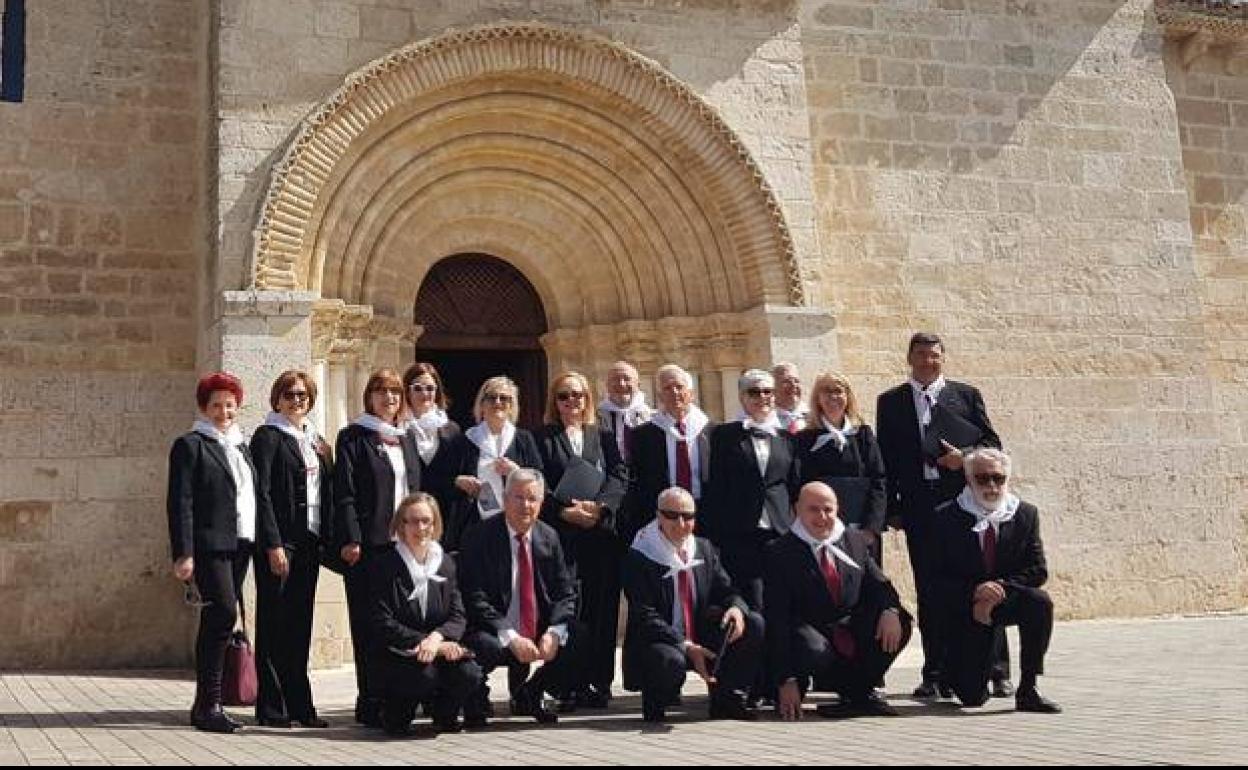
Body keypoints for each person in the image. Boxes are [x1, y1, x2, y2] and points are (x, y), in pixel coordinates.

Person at [876, 332, 1004, 698]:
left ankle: (995, 669)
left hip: (964, 505)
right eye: (920, 355)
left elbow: (992, 445)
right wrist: (894, 509)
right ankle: (934, 673)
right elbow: (886, 459)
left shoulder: (966, 396)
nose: (928, 361)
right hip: (921, 509)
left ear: (942, 358)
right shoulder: (892, 402)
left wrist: (963, 457)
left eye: (934, 355)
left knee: (982, 583)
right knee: (930, 590)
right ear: (909, 358)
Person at [167, 372, 277, 733]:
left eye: (230, 405)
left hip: (240, 543)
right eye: (216, 405)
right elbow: (179, 502)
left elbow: (255, 498)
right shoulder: (191, 445)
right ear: (204, 407)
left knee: (217, 620)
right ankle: (209, 703)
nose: (224, 411)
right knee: (223, 613)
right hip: (209, 545)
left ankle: (207, 703)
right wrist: (183, 553)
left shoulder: (241, 447)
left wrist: (269, 542)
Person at [766, 482, 911, 721]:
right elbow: (777, 618)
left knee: (901, 621)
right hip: (808, 638)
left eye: (828, 510)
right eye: (813, 510)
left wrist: (890, 610)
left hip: (849, 631)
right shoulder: (779, 552)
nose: (822, 517)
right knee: (813, 648)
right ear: (796, 511)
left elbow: (880, 585)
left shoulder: (854, 541)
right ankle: (838, 687)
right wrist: (786, 679)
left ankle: (859, 693)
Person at [934, 450, 1061, 714]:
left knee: (1039, 602)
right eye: (982, 479)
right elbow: (936, 577)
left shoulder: (1024, 515)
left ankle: (1029, 688)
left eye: (998, 479)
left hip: (1006, 599)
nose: (992, 487)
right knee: (971, 697)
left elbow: (1038, 570)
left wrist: (1000, 589)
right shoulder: (946, 517)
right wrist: (976, 592)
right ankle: (950, 669)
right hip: (968, 608)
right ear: (968, 481)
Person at [622, 487, 763, 723]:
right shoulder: (640, 554)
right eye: (672, 515)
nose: (681, 523)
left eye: (688, 516)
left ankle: (728, 699)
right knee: (669, 661)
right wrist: (684, 645)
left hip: (700, 631)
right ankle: (658, 699)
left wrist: (736, 608)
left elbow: (727, 590)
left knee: (753, 623)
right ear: (658, 516)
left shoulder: (704, 549)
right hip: (661, 639)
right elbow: (643, 614)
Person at [333, 368, 422, 727]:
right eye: (382, 392)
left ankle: (397, 696)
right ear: (369, 396)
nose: (389, 399)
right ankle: (369, 699)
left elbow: (416, 489)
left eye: (396, 393)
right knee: (369, 625)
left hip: (405, 547)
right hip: (369, 546)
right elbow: (346, 493)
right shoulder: (353, 437)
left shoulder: (406, 439)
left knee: (401, 623)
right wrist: (351, 537)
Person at [459, 469, 581, 726]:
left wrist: (554, 632)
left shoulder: (549, 536)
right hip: (493, 629)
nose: (526, 505)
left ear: (541, 503)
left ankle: (531, 693)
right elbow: (475, 598)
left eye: (532, 498)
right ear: (504, 500)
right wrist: (510, 636)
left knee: (580, 637)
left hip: (536, 627)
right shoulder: (480, 537)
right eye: (518, 498)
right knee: (484, 646)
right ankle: (476, 697)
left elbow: (564, 592)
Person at [536, 371, 627, 709]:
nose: (572, 401)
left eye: (578, 395)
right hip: (563, 537)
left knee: (602, 610)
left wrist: (601, 508)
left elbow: (619, 474)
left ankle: (598, 683)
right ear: (554, 402)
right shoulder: (543, 437)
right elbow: (537, 481)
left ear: (588, 399)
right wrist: (562, 511)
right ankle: (565, 684)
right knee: (568, 610)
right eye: (564, 396)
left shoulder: (601, 435)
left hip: (600, 535)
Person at [250, 370, 332, 728]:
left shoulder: (314, 440)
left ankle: (301, 706)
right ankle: (271, 707)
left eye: (302, 394)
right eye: (289, 394)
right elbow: (262, 493)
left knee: (300, 625)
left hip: (309, 542)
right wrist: (272, 543)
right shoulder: (268, 437)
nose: (296, 400)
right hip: (281, 543)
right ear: (277, 399)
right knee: (273, 623)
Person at [369, 494, 484, 735]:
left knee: (470, 673)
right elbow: (382, 621)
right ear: (401, 525)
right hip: (400, 652)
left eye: (426, 521)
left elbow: (458, 614)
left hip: (436, 645)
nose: (420, 528)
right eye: (412, 521)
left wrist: (437, 640)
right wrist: (422, 643)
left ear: (435, 525)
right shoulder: (384, 564)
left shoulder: (446, 564)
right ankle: (397, 714)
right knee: (424, 674)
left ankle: (444, 714)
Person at [701, 369, 798, 611]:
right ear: (742, 398)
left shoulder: (787, 439)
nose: (763, 397)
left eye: (768, 391)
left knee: (781, 597)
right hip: (741, 531)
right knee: (753, 599)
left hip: (779, 530)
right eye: (755, 392)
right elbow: (717, 486)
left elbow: (794, 485)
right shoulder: (724, 436)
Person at [795, 372, 886, 561]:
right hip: (819, 530)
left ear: (848, 397)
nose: (833, 397)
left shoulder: (863, 435)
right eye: (826, 391)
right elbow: (799, 484)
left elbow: (879, 480)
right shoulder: (805, 439)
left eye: (838, 391)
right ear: (817, 398)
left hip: (861, 530)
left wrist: (872, 528)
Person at [446, 376, 542, 552]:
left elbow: (540, 481)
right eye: (491, 397)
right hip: (473, 525)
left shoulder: (524, 439)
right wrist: (458, 481)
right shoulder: (465, 440)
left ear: (512, 406)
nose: (498, 402)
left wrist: (516, 472)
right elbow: (442, 479)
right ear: (481, 405)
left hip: (516, 523)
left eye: (504, 398)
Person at [622, 364, 713, 543]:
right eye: (667, 388)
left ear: (691, 392)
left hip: (704, 513)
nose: (674, 392)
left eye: (679, 387)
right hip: (663, 516)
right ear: (659, 396)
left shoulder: (712, 432)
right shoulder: (643, 435)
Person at [401, 363, 463, 516]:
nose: (424, 393)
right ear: (407, 391)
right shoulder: (398, 428)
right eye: (417, 388)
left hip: (443, 512)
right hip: (407, 511)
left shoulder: (452, 430)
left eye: (430, 388)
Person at [596, 360, 652, 464]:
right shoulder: (596, 419)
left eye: (627, 379)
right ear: (607, 385)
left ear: (638, 384)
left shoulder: (652, 418)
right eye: (615, 379)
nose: (621, 384)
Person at [772, 362, 809, 434]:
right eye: (786, 381)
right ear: (773, 388)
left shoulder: (815, 418)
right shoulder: (766, 420)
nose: (793, 385)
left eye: (796, 381)